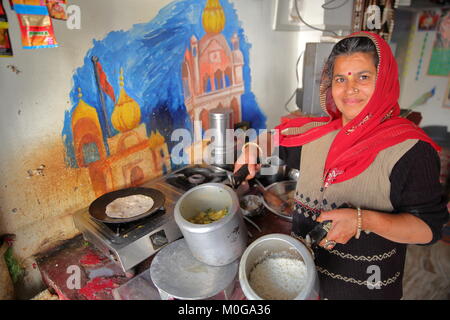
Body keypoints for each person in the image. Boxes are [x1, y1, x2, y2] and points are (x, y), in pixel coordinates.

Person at [234, 31, 449, 300]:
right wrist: (253, 148)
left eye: (363, 76)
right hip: (305, 280)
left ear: (383, 80)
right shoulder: (318, 134)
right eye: (340, 79)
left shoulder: (412, 150)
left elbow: (428, 229)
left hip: (364, 289)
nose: (350, 89)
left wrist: (362, 219)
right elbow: (274, 139)